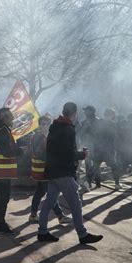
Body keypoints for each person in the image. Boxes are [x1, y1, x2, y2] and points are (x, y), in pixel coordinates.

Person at [37, 102, 103, 244]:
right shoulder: (67, 128)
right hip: (63, 171)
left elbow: (55, 150)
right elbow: (67, 153)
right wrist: (82, 155)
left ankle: (42, 231)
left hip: (53, 171)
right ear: (74, 113)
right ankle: (82, 234)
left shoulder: (55, 126)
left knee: (49, 202)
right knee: (75, 203)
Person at [28, 115, 71, 224]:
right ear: (39, 125)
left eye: (48, 124)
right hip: (42, 170)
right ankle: (60, 216)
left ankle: (33, 214)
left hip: (47, 170)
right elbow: (39, 154)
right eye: (43, 124)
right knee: (51, 193)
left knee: (40, 192)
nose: (46, 126)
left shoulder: (50, 136)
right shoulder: (37, 137)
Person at [93, 108, 121, 190]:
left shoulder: (98, 122)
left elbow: (94, 135)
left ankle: (95, 183)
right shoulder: (112, 124)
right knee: (114, 167)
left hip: (98, 148)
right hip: (108, 149)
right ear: (112, 115)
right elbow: (114, 137)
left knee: (96, 166)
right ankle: (117, 184)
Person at [77, 105, 99, 189]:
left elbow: (100, 133)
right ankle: (89, 182)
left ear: (92, 111)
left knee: (96, 163)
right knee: (87, 164)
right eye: (85, 111)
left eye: (87, 110)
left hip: (96, 146)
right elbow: (80, 134)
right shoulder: (83, 122)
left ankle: (97, 181)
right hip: (86, 145)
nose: (85, 112)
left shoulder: (98, 121)